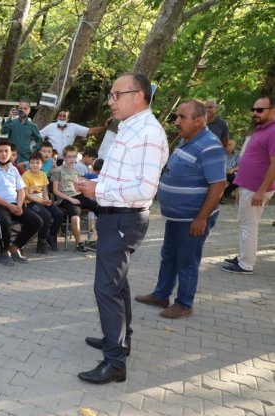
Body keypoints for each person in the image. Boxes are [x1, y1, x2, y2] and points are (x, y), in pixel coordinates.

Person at [75, 72, 169, 385]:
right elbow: (122, 178)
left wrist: (97, 192)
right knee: (118, 283)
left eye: (117, 95)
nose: (110, 101)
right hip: (114, 215)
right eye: (111, 95)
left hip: (123, 218)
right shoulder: (130, 128)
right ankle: (119, 339)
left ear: (139, 95)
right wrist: (96, 183)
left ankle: (115, 363)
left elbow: (143, 189)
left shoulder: (148, 134)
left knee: (106, 288)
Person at [135, 99, 225, 319]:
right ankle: (161, 295)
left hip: (192, 219)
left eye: (182, 117)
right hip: (177, 217)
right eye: (176, 116)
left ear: (199, 120)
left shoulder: (210, 146)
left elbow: (218, 185)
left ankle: (184, 304)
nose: (176, 121)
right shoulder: (187, 140)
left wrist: (201, 218)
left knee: (187, 260)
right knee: (169, 256)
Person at [222, 96, 275, 274]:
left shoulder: (273, 131)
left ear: (273, 111)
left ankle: (246, 264)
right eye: (254, 109)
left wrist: (261, 191)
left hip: (256, 189)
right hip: (249, 186)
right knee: (244, 223)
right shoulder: (262, 129)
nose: (255, 113)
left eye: (260, 110)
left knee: (249, 225)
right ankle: (243, 256)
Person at [0, 141, 42, 266]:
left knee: (36, 222)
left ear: (11, 153)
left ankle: (14, 249)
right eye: (0, 151)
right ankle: (3, 252)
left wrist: (19, 205)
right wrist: (10, 206)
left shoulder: (14, 169)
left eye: (6, 151)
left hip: (15, 204)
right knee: (5, 222)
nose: (3, 154)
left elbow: (21, 190)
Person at [51, 145, 100, 253]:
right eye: (68, 157)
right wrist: (70, 199)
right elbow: (55, 191)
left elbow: (80, 188)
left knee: (102, 210)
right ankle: (79, 243)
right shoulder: (57, 170)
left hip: (79, 196)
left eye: (73, 157)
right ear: (63, 158)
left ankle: (92, 240)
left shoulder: (76, 171)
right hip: (65, 198)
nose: (71, 159)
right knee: (75, 217)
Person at [22, 152, 64, 254]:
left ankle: (52, 236)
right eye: (32, 163)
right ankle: (41, 242)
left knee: (59, 214)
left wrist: (46, 199)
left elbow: (45, 189)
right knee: (46, 215)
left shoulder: (43, 175)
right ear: (29, 164)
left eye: (37, 163)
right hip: (30, 203)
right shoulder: (25, 175)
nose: (35, 165)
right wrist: (41, 201)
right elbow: (26, 195)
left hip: (42, 201)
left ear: (41, 165)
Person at [39, 109, 108, 152]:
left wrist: (105, 128)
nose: (61, 118)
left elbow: (89, 131)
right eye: (60, 116)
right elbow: (38, 136)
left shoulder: (73, 127)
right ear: (57, 117)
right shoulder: (51, 126)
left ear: (68, 118)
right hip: (51, 158)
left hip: (66, 160)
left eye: (64, 116)